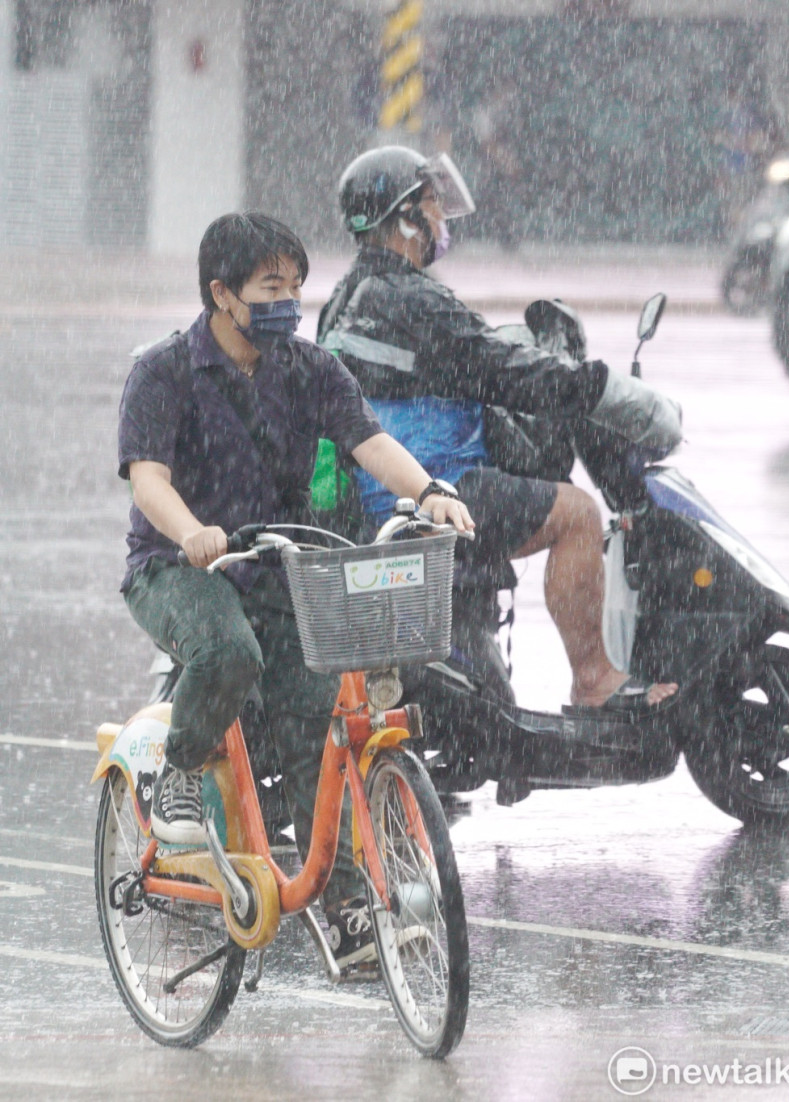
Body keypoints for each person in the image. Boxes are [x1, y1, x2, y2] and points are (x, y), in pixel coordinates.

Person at [117, 211, 472, 969]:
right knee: (227, 651)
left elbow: (369, 441)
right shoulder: (165, 372)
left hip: (279, 565)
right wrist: (191, 535)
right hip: (178, 569)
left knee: (324, 716)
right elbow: (149, 479)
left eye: (296, 284)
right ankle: (180, 771)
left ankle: (342, 904)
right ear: (222, 293)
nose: (289, 298)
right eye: (270, 285)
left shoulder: (309, 369)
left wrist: (430, 491)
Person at [317, 146, 679, 718]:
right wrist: (596, 389)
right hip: (431, 491)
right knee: (577, 513)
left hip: (378, 496)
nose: (441, 222)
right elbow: (498, 367)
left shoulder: (346, 299)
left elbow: (467, 359)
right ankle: (595, 680)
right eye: (432, 207)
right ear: (407, 218)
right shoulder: (410, 299)